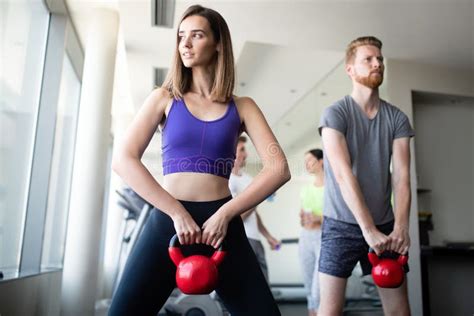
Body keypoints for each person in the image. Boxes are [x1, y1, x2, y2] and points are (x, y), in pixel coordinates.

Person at [109, 5, 290, 316]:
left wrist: (227, 213)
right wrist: (176, 212)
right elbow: (124, 160)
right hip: (168, 222)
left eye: (197, 35)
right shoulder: (164, 98)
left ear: (218, 43)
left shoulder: (243, 106)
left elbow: (279, 168)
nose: (185, 44)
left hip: (222, 226)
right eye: (181, 36)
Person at [317, 36, 414, 316]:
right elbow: (342, 174)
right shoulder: (335, 114)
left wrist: (402, 227)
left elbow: (402, 177)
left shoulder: (397, 119)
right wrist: (367, 229)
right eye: (368, 59)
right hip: (341, 226)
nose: (377, 64)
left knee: (398, 310)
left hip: (386, 226)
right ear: (350, 69)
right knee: (330, 310)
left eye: (380, 59)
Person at [229, 136, 281, 282]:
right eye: (242, 149)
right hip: (242, 239)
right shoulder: (227, 181)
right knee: (248, 287)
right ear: (231, 151)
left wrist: (268, 236)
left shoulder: (247, 179)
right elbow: (238, 217)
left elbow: (254, 214)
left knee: (264, 285)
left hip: (255, 239)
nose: (246, 154)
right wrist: (260, 196)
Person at [298, 149, 324, 316]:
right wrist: (303, 218)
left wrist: (318, 219)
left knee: (318, 289)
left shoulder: (331, 187)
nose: (307, 164)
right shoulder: (305, 189)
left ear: (321, 161)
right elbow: (302, 216)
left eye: (310, 160)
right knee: (309, 287)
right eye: (305, 160)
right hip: (305, 237)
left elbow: (338, 215)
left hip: (323, 237)